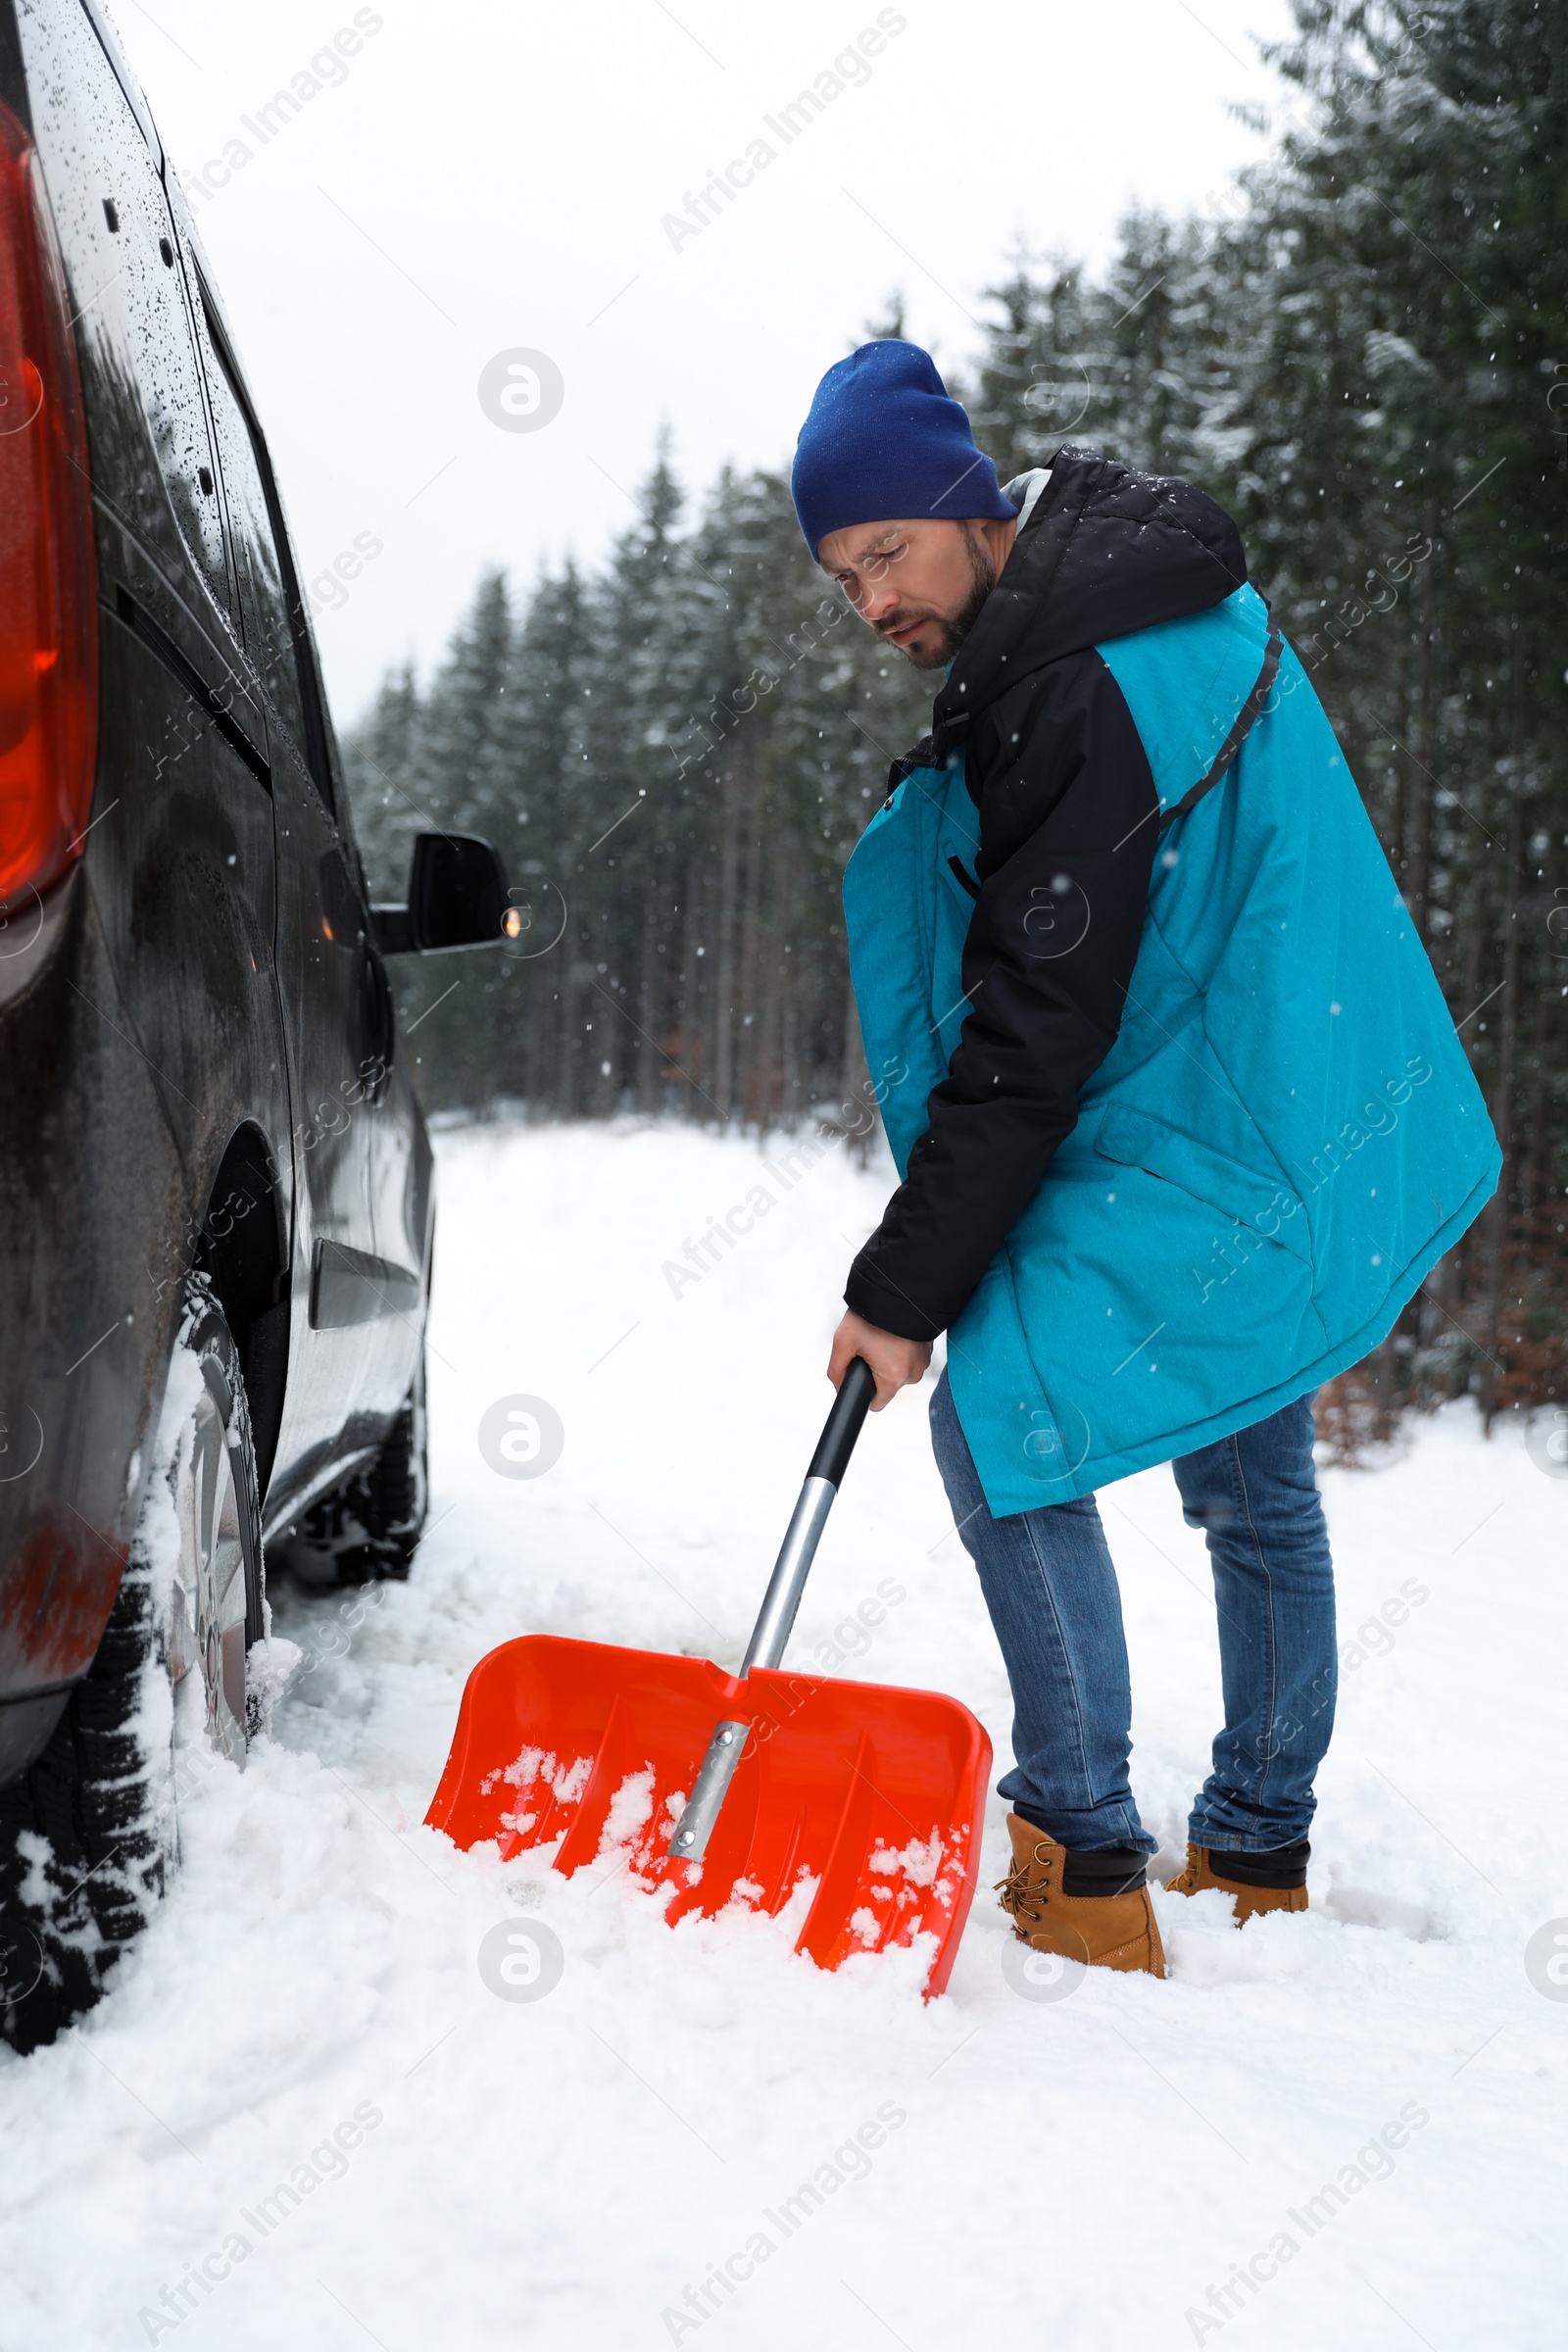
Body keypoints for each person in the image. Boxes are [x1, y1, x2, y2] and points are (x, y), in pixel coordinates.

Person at [790, 340, 1499, 1979]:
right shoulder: (1132, 606)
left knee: (995, 1417)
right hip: (1274, 1097)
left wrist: (903, 1292)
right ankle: (1254, 1846)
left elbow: (1035, 1029)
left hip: (1204, 1118)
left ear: (970, 508)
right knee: (1252, 1466)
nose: (871, 601)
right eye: (842, 577)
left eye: (887, 551)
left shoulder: (1073, 681)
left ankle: (1084, 1858)